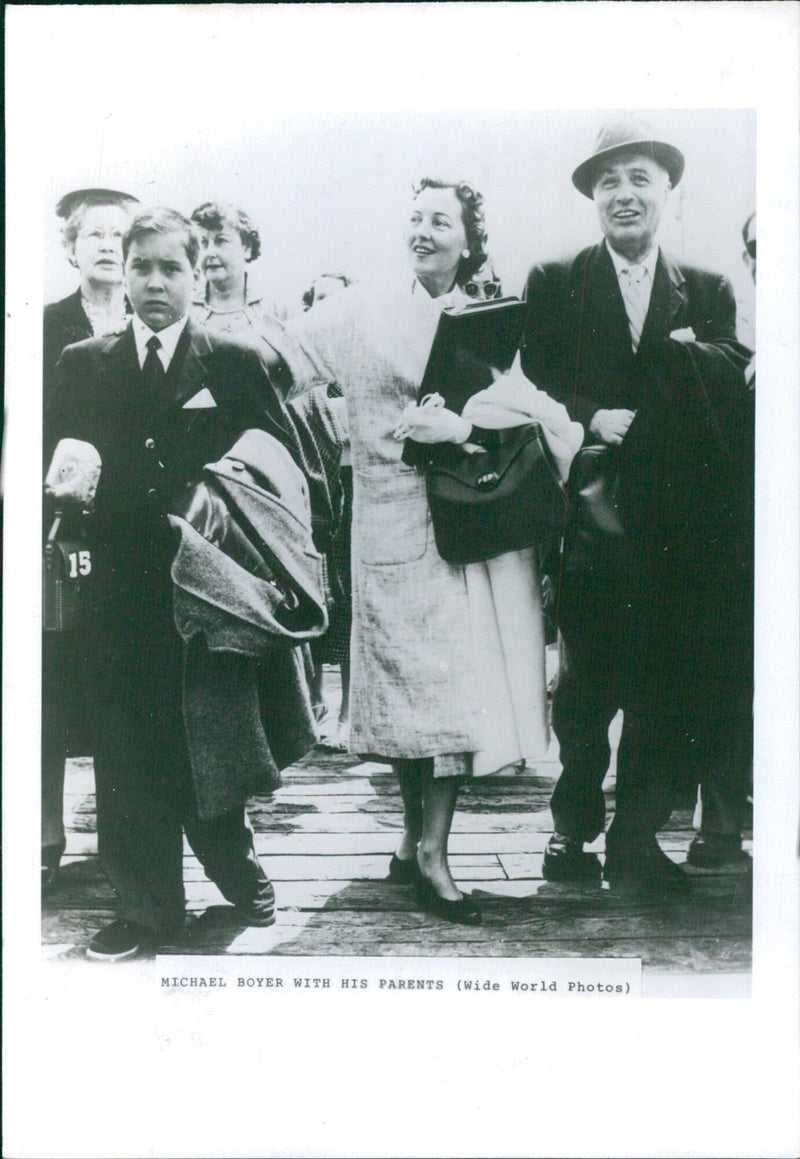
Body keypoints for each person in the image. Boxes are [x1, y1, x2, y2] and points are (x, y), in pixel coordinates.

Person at [286, 178, 582, 924]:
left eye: (439, 221)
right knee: (407, 689)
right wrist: (325, 452)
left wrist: (464, 430)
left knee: (450, 688)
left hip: (463, 523)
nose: (422, 231)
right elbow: (283, 368)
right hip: (385, 522)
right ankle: (415, 835)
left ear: (466, 240)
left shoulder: (489, 317)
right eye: (413, 217)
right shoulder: (358, 308)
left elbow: (527, 415)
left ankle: (433, 851)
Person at [45, 208, 316, 961]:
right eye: (142, 267)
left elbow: (280, 465)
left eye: (172, 268)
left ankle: (236, 868)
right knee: (126, 749)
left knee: (211, 744)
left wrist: (221, 492)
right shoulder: (83, 361)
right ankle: (145, 908)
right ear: (122, 274)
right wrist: (67, 494)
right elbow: (59, 464)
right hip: (119, 593)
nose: (156, 282)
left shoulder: (233, 357)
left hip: (207, 593)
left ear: (199, 276)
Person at [522, 118, 751, 896]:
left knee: (662, 682)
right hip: (591, 513)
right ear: (593, 196)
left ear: (666, 191)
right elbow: (534, 382)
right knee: (584, 686)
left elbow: (727, 392)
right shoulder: (555, 279)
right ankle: (569, 828)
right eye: (609, 181)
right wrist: (591, 416)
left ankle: (638, 837)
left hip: (676, 525)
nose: (625, 195)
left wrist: (684, 357)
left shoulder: (710, 287)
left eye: (640, 179)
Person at [42, 187, 139, 893]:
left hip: (128, 529)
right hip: (55, 528)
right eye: (94, 235)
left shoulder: (153, 323)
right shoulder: (43, 325)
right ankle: (46, 829)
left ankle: (125, 834)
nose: (107, 245)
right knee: (50, 673)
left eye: (119, 235)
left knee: (121, 677)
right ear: (71, 247)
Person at [685, 210, 756, 868]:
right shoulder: (737, 340)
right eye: (760, 249)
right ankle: (723, 820)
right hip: (736, 541)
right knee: (727, 679)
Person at [189, 200, 294, 395]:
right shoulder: (186, 309)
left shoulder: (277, 307)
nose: (210, 252)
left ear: (246, 248)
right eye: (203, 243)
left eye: (221, 241)